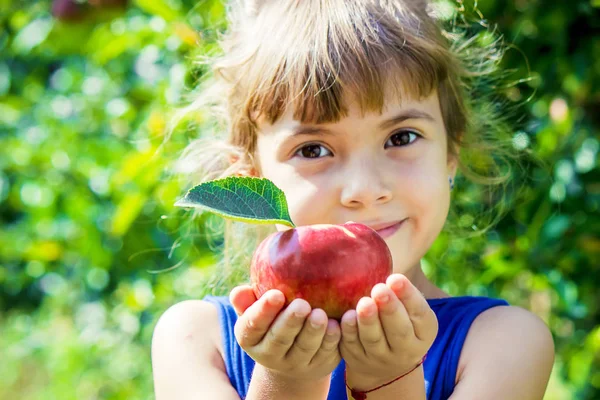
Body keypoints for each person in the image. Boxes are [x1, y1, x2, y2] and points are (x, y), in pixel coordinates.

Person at [151, 0, 555, 398]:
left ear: (451, 156)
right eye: (312, 149)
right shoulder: (197, 341)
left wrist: (390, 381)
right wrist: (285, 381)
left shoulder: (502, 343)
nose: (364, 188)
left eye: (401, 138)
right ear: (250, 178)